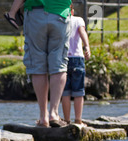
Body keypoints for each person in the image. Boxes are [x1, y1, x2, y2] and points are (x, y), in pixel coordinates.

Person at [22, 0, 72, 128]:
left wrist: (12, 12)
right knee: (59, 64)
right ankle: (54, 114)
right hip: (60, 12)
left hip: (35, 12)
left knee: (37, 65)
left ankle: (43, 116)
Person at [61, 4, 91, 125]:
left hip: (63, 58)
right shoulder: (78, 20)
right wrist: (87, 46)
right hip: (77, 58)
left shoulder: (60, 20)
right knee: (79, 92)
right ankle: (78, 120)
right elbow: (82, 32)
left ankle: (67, 120)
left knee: (65, 92)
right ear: (72, 11)